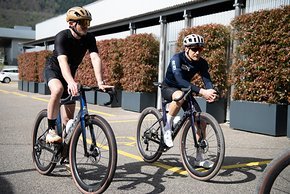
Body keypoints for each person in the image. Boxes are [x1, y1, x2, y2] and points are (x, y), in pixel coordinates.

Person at [44, 6, 109, 143]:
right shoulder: (62, 37)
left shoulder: (89, 38)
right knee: (58, 89)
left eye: (88, 23)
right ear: (71, 23)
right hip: (54, 70)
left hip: (69, 75)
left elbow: (95, 58)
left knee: (68, 121)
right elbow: (62, 61)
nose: (86, 26)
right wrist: (71, 82)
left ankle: (65, 151)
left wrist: (100, 82)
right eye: (83, 23)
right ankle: (51, 130)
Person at [161, 34, 217, 168]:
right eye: (194, 49)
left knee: (201, 122)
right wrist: (202, 92)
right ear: (186, 49)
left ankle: (199, 158)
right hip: (169, 87)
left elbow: (207, 80)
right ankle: (167, 126)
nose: (197, 52)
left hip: (185, 90)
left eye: (200, 49)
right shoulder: (177, 59)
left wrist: (212, 91)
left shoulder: (202, 63)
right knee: (179, 96)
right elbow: (179, 79)